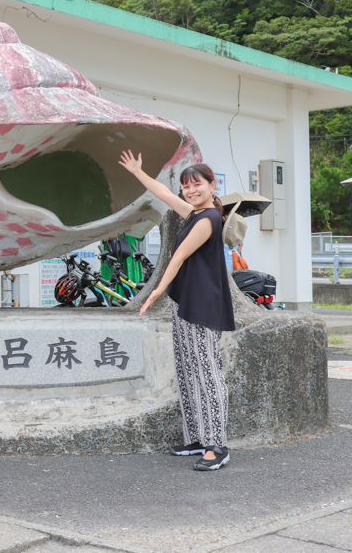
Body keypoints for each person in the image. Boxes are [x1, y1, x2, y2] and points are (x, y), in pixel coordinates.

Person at [118, 152, 235, 471]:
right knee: (187, 369)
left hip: (204, 304)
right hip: (186, 301)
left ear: (212, 186)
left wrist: (156, 290)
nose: (190, 191)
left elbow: (179, 255)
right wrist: (138, 173)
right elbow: (165, 194)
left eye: (197, 185)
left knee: (208, 372)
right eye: (187, 186)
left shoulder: (209, 219)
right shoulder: (194, 213)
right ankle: (197, 438)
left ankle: (217, 445)